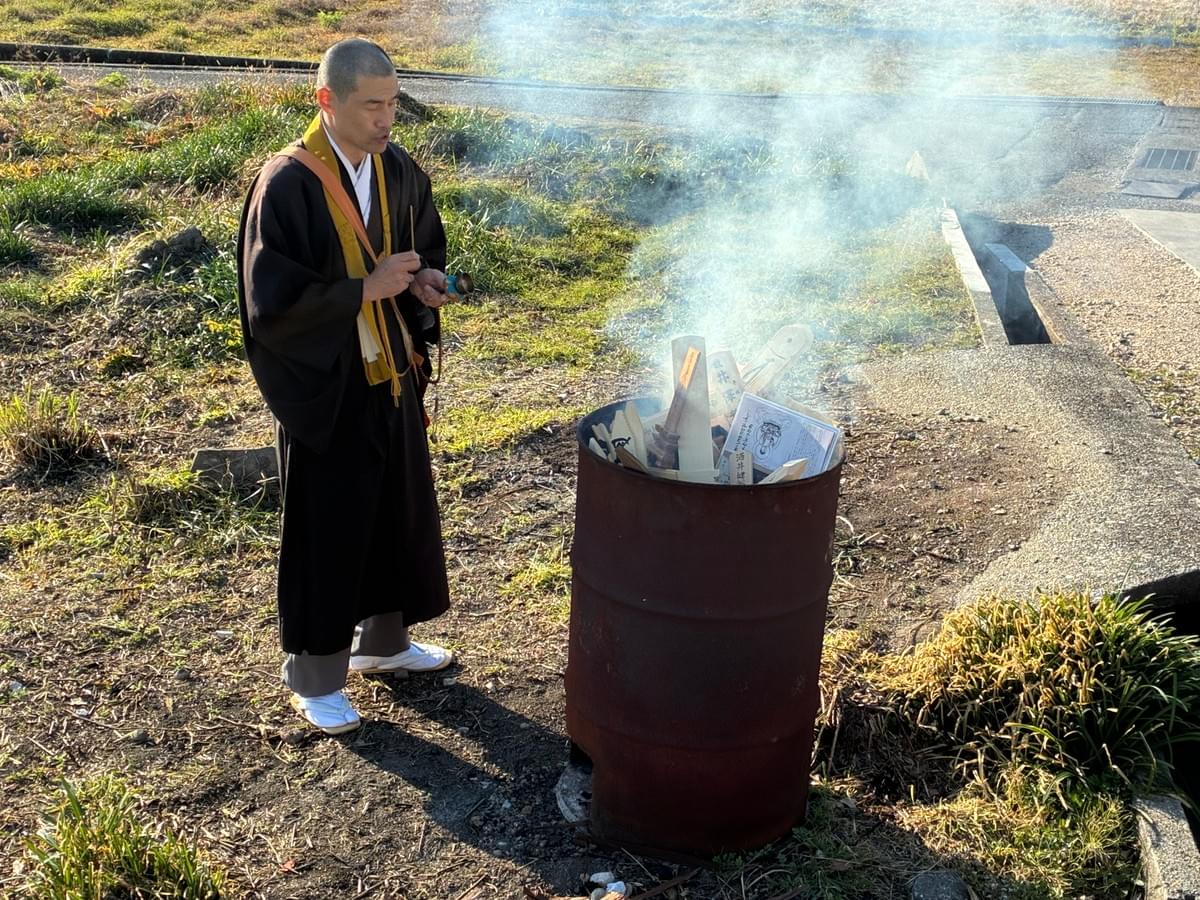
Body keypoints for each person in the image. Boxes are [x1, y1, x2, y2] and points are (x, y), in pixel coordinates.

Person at [237, 38, 454, 735]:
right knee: (329, 525)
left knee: (396, 506)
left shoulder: (398, 171)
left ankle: (384, 645)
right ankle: (315, 676)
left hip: (392, 373)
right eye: (372, 107)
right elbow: (272, 302)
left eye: (392, 104)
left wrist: (424, 285)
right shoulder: (288, 183)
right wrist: (364, 288)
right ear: (326, 101)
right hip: (327, 383)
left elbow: (424, 248)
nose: (386, 120)